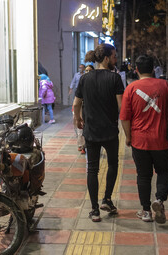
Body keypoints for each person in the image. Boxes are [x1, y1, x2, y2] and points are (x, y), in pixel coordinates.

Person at [73, 44, 124, 222]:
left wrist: (78, 120)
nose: (116, 60)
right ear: (106, 58)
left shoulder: (85, 78)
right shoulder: (115, 78)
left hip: (91, 131)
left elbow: (76, 104)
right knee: (112, 165)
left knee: (92, 170)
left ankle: (95, 210)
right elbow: (121, 107)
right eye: (114, 56)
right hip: (110, 131)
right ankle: (107, 200)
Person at [120, 55, 168, 223]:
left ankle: (146, 211)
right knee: (164, 172)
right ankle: (159, 200)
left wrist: (128, 137)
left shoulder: (131, 88)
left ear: (136, 70)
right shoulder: (165, 85)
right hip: (161, 140)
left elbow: (124, 117)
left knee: (143, 176)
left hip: (139, 140)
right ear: (153, 69)